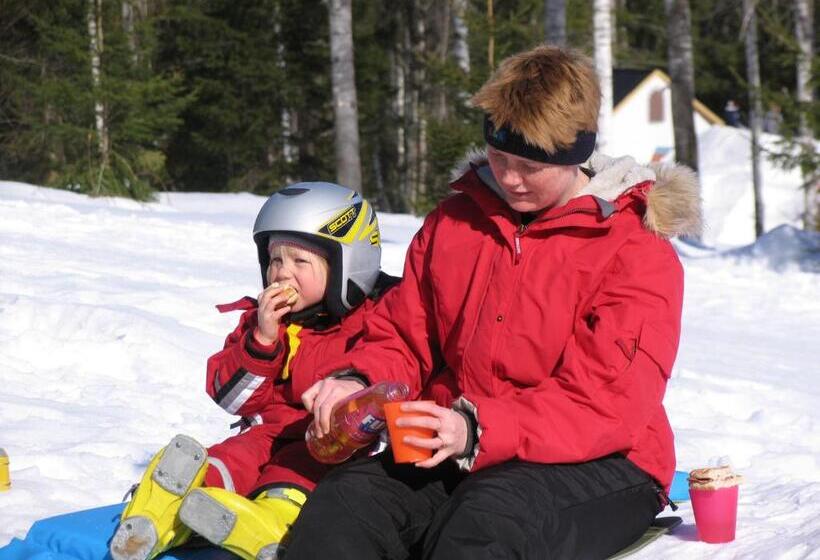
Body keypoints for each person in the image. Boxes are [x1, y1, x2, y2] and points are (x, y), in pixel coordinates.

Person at [286, 45, 702, 559]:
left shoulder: (634, 250)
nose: (508, 178)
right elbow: (403, 335)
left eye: (529, 167)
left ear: (573, 155)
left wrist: (480, 429)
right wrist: (359, 382)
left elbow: (607, 401)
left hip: (603, 458)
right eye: (500, 158)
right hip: (454, 439)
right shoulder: (457, 223)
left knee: (486, 524)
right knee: (346, 505)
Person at [110, 182, 396, 560]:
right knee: (219, 461)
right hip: (264, 436)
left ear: (347, 266)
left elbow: (392, 377)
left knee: (290, 482)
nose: (282, 273)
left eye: (300, 262)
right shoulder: (262, 321)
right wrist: (263, 340)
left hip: (323, 447)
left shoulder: (378, 321)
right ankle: (156, 516)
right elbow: (229, 395)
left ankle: (264, 530)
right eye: (276, 260)